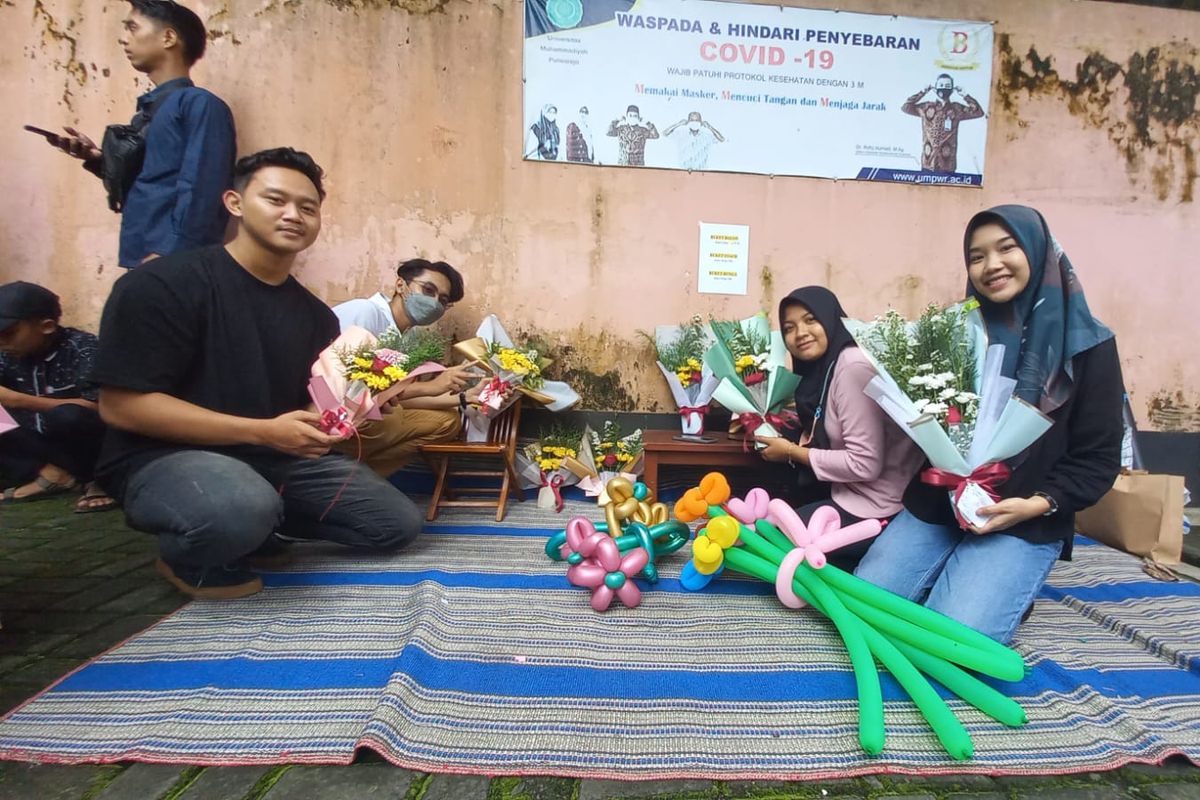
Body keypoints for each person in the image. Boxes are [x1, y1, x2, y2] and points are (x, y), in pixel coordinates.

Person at [92, 147, 470, 600]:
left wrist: (342, 413)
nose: (293, 215)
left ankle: (260, 525)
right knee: (238, 507)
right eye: (276, 200)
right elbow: (120, 405)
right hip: (168, 455)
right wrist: (263, 432)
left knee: (396, 525)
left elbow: (318, 396)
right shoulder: (163, 285)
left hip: (273, 456)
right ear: (235, 203)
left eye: (307, 207)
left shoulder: (315, 318)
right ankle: (194, 552)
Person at [855, 205, 1124, 644]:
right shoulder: (957, 334)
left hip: (1023, 513)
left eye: (1006, 248)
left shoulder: (1088, 346)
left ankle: (999, 584)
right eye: (976, 256)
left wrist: (1035, 504)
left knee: (956, 640)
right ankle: (966, 574)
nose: (991, 265)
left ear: (1038, 252)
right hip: (940, 504)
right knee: (867, 604)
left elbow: (1098, 458)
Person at [39, 0, 236, 268]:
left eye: (133, 28)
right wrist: (98, 158)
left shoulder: (199, 104)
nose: (123, 39)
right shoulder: (150, 111)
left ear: (168, 38)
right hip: (143, 260)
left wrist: (173, 255)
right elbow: (151, 180)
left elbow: (204, 189)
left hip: (173, 264)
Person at [755, 286, 922, 570]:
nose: (800, 333)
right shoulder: (829, 366)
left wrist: (792, 452)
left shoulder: (852, 366)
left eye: (810, 320)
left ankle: (870, 560)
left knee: (766, 547)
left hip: (879, 508)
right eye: (789, 327)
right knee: (767, 530)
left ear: (831, 319)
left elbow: (864, 463)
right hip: (849, 494)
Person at [332, 259, 481, 477]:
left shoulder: (409, 338)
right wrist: (431, 386)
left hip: (371, 411)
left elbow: (399, 399)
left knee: (448, 422)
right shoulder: (365, 313)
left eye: (443, 300)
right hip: (331, 411)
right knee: (389, 418)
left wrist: (466, 397)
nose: (434, 302)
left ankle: (363, 477)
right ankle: (334, 469)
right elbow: (347, 390)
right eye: (428, 290)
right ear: (401, 285)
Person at [0, 282, 114, 512]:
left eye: (8, 334)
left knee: (67, 416)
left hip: (85, 447)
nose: (2, 343)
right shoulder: (5, 354)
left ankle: (100, 481)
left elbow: (106, 408)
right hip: (38, 447)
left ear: (47, 326)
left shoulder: (82, 348)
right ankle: (54, 475)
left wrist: (18, 400)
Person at [901, 74, 983, 173]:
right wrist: (922, 92)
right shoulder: (926, 107)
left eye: (947, 86)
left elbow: (978, 112)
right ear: (935, 89)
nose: (944, 89)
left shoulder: (957, 109)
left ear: (952, 90)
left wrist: (965, 96)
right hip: (928, 163)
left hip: (947, 164)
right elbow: (906, 107)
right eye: (941, 85)